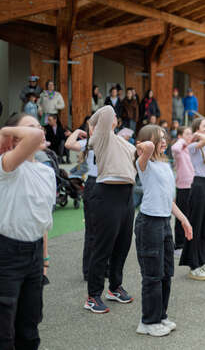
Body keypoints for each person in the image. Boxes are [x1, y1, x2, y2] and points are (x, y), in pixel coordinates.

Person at [0, 113, 55, 349]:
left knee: (30, 326)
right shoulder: (7, 165)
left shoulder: (47, 172)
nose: (39, 131)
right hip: (7, 254)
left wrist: (44, 259)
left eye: (39, 126)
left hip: (34, 253)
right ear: (14, 137)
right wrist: (5, 132)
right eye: (30, 127)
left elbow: (42, 220)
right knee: (4, 331)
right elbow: (33, 137)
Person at [134, 125, 193, 337]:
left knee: (166, 273)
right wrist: (145, 144)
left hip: (164, 222)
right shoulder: (144, 163)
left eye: (164, 138)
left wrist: (184, 219)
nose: (163, 141)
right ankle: (148, 322)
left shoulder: (164, 164)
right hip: (149, 223)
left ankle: (160, 316)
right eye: (158, 138)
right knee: (152, 275)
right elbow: (148, 148)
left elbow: (169, 199)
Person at [84, 105, 137, 314]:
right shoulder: (101, 136)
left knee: (123, 245)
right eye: (113, 116)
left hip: (127, 194)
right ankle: (93, 296)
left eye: (116, 115)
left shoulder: (122, 142)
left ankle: (115, 287)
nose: (114, 116)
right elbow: (106, 110)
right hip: (107, 192)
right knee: (103, 247)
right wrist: (92, 123)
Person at [179, 117, 205, 281]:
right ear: (197, 129)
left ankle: (203, 261)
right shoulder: (193, 146)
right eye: (204, 126)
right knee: (196, 225)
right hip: (198, 186)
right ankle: (193, 265)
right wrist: (199, 135)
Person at [65, 126, 98, 281]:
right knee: (91, 230)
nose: (95, 129)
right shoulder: (88, 143)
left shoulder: (111, 140)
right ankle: (88, 270)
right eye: (92, 127)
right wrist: (78, 132)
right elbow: (68, 144)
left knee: (107, 231)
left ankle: (104, 267)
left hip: (109, 183)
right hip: (93, 183)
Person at [171, 126, 194, 256]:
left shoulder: (189, 149)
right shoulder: (179, 148)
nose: (190, 136)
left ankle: (187, 243)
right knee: (181, 216)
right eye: (187, 134)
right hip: (182, 187)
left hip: (192, 185)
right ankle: (179, 245)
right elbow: (175, 148)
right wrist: (182, 141)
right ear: (180, 136)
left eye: (191, 134)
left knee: (189, 215)